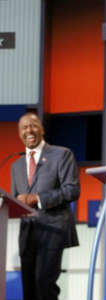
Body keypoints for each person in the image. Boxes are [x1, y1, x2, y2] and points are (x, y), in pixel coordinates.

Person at [10, 112, 80, 300]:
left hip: (53, 229)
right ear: (19, 133)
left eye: (33, 125)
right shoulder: (15, 165)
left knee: (44, 285)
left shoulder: (62, 154)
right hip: (27, 233)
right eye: (24, 127)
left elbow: (72, 191)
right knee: (29, 288)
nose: (29, 130)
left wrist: (37, 198)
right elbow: (18, 199)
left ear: (42, 129)